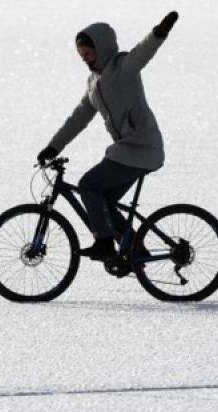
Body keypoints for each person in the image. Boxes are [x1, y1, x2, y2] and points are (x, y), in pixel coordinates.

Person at [37, 12, 179, 261]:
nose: (84, 58)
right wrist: (52, 148)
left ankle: (104, 243)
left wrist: (159, 32)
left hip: (143, 147)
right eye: (81, 54)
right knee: (103, 200)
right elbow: (78, 118)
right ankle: (134, 247)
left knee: (89, 185)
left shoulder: (123, 67)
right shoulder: (94, 82)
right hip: (127, 150)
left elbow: (142, 52)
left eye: (87, 52)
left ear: (100, 47)